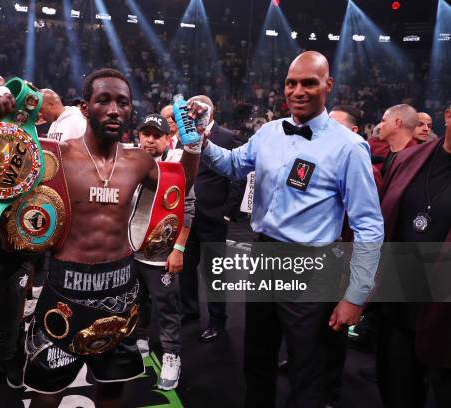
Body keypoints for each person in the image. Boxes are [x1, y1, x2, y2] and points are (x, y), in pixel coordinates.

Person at [0, 68, 201, 407]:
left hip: (120, 290)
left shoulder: (138, 160)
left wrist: (194, 146)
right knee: (46, 394)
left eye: (123, 103)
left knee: (112, 388)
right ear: (85, 107)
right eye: (104, 100)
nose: (114, 109)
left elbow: (180, 186)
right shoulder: (54, 154)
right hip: (63, 290)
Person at [198, 51, 384, 407]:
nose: (297, 91)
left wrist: (356, 295)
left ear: (328, 85)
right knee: (256, 357)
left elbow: (369, 226)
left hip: (312, 264)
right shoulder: (269, 132)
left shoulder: (349, 148)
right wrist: (201, 143)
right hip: (265, 252)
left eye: (309, 83)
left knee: (307, 368)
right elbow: (234, 165)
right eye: (291, 83)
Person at [376, 104, 451, 407]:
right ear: (448, 115)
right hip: (396, 310)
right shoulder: (407, 159)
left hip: (445, 317)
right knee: (396, 395)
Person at [133, 113, 195, 390]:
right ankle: (141, 337)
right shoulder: (129, 163)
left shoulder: (176, 167)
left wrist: (179, 249)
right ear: (138, 137)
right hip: (131, 249)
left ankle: (171, 354)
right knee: (137, 300)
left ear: (166, 139)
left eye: (155, 135)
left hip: (161, 254)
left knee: (168, 306)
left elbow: (188, 211)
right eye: (145, 134)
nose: (149, 139)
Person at [180, 95, 245, 342]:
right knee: (186, 269)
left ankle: (218, 321)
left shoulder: (228, 136)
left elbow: (239, 176)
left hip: (214, 216)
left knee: (214, 273)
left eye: (197, 110)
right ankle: (189, 311)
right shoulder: (184, 136)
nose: (193, 113)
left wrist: (228, 212)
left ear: (210, 110)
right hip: (188, 216)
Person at [370, 104, 419, 177]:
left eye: (383, 121)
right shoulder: (387, 152)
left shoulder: (416, 158)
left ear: (397, 123)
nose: (379, 126)